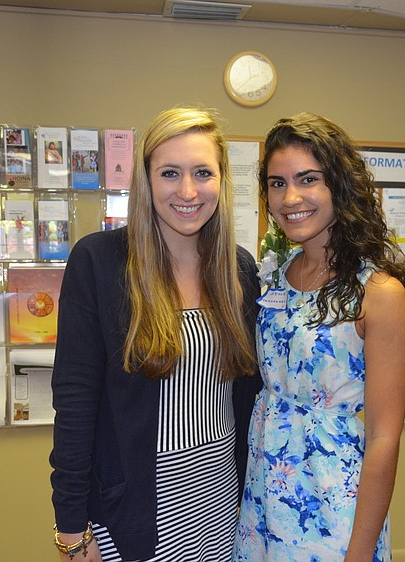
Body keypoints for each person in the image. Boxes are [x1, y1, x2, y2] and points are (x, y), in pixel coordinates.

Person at [50, 106, 261, 562]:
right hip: (133, 514)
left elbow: (248, 396)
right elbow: (74, 402)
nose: (188, 191)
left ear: (222, 182)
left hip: (223, 504)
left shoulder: (238, 270)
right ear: (146, 181)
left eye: (203, 172)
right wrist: (70, 528)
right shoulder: (100, 263)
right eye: (170, 173)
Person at [235, 113, 405, 562]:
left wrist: (358, 553)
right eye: (276, 183)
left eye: (308, 179)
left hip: (331, 504)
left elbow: (382, 438)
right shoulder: (274, 277)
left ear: (340, 185)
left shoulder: (378, 293)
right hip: (262, 493)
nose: (290, 197)